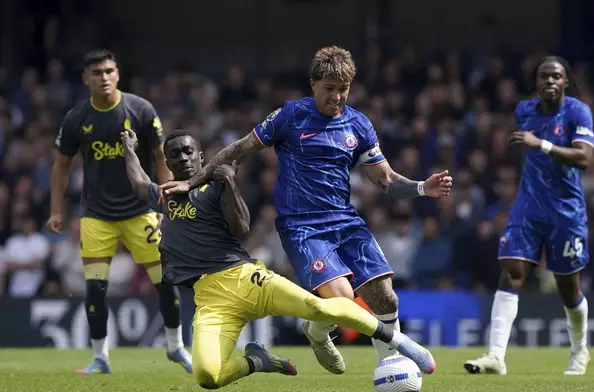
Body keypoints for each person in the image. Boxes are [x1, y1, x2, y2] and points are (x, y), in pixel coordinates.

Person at [159, 46, 452, 373]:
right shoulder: (290, 116)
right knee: (342, 297)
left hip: (346, 222)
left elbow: (385, 180)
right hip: (303, 227)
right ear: (313, 84)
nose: (337, 96)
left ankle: (344, 343)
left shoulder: (359, 126)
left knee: (386, 298)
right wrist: (192, 181)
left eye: (344, 89)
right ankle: (392, 362)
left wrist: (422, 188)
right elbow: (239, 149)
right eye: (329, 89)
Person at [121, 128, 437, 389]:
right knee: (206, 376)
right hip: (210, 300)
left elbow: (242, 227)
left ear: (201, 156)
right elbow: (137, 183)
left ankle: (400, 342)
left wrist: (229, 182)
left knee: (318, 306)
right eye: (174, 154)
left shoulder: (215, 187)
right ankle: (257, 361)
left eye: (189, 151)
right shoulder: (166, 194)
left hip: (247, 279)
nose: (183, 158)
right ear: (167, 162)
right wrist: (128, 149)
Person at [47, 49, 192, 374]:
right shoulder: (77, 118)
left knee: (166, 284)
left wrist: (164, 197)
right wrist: (56, 210)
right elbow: (61, 166)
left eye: (109, 71)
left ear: (117, 74)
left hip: (141, 212)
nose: (104, 77)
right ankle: (101, 358)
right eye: (96, 73)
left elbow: (159, 156)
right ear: (86, 79)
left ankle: (175, 347)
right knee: (95, 290)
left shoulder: (139, 109)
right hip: (97, 217)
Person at [464, 56, 594, 376]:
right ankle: (496, 356)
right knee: (511, 273)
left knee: (568, 286)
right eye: (543, 77)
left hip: (566, 211)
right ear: (536, 83)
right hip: (528, 207)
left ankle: (580, 351)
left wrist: (543, 145)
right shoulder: (524, 111)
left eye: (556, 77)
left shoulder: (578, 112)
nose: (549, 82)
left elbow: (584, 158)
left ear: (565, 81)